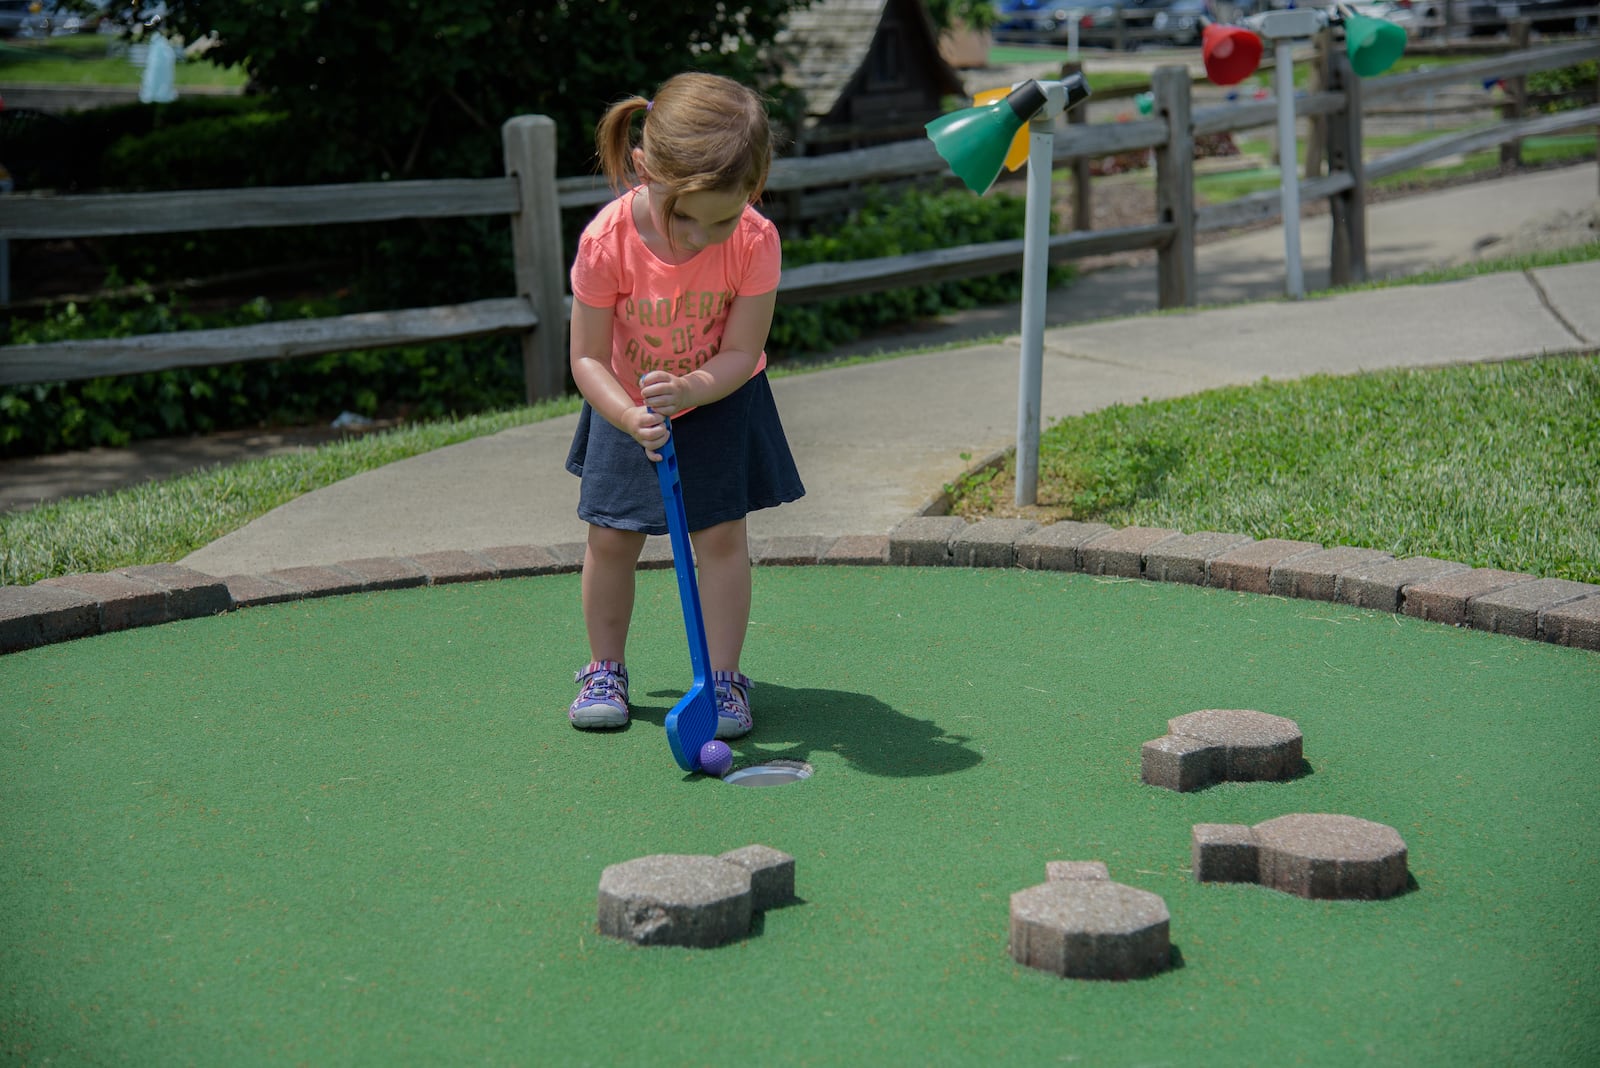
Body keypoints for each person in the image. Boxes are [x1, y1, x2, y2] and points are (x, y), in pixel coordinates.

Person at [564, 72, 804, 739]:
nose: (703, 237)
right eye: (686, 217)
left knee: (721, 536)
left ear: (753, 189)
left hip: (721, 397)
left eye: (722, 218)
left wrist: (692, 389)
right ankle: (604, 668)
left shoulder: (754, 241)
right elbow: (585, 357)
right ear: (645, 169)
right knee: (612, 535)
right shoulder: (605, 242)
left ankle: (722, 679)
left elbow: (741, 352)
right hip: (626, 400)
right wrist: (626, 415)